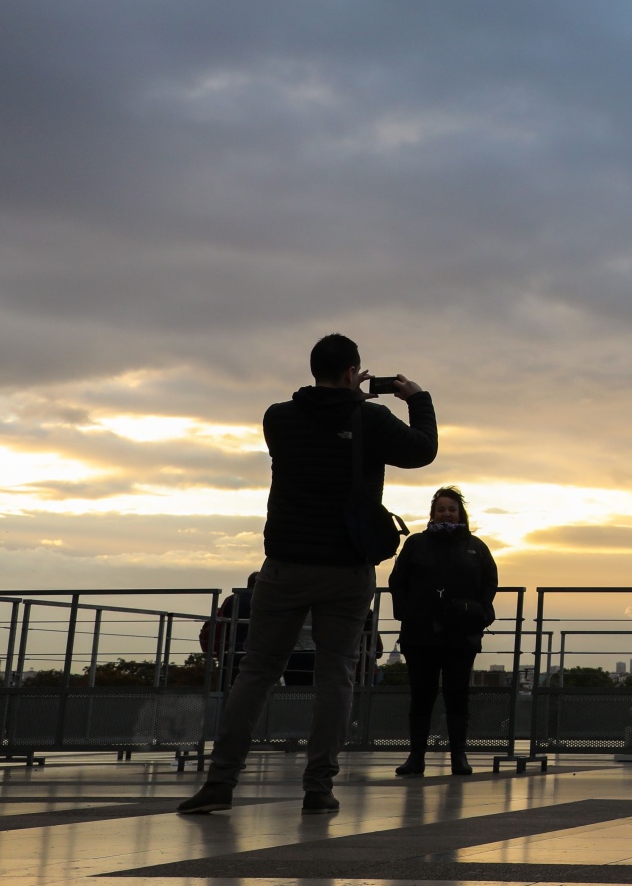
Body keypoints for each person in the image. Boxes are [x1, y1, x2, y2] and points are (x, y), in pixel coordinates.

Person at [178, 333, 436, 816]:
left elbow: (319, 425)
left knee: (255, 673)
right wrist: (416, 398)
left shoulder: (278, 418)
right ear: (350, 373)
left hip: (285, 565)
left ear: (316, 369)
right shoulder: (369, 418)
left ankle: (220, 781)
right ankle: (318, 786)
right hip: (345, 567)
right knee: (334, 675)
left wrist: (348, 399)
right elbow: (422, 451)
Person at [387, 487, 497, 776]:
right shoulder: (416, 544)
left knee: (457, 694)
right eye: (441, 509)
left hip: (461, 636)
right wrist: (407, 614)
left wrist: (480, 613)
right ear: (432, 514)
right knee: (421, 695)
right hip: (420, 634)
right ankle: (416, 757)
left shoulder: (476, 546)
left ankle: (459, 756)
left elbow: (489, 583)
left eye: (452, 509)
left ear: (461, 513)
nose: (446, 513)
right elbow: (397, 581)